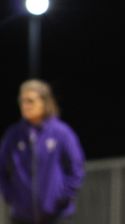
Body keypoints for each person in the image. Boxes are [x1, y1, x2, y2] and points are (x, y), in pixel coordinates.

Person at [0, 79, 86, 224]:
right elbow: (1, 168)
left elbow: (77, 168)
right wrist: (10, 196)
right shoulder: (14, 135)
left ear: (44, 102)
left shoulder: (61, 132)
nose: (25, 105)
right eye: (22, 101)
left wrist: (62, 197)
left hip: (56, 216)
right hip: (22, 216)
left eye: (30, 101)